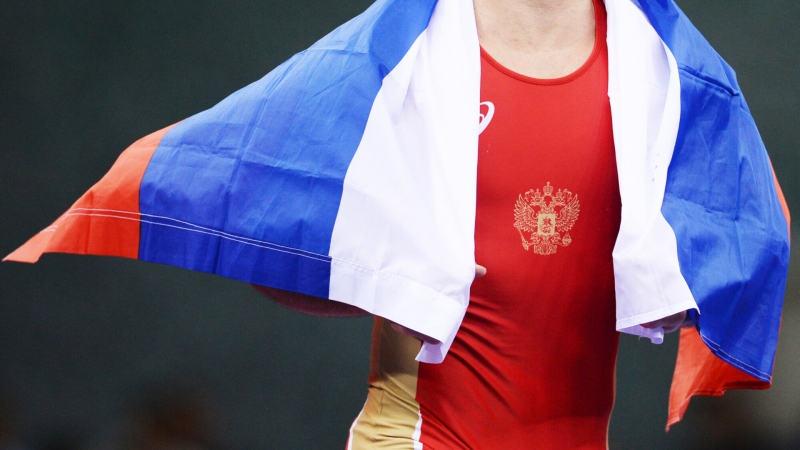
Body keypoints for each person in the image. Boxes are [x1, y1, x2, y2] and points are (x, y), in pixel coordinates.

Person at [6, 0, 789, 447]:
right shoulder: (400, 58)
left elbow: (748, 238)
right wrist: (348, 265)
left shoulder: (668, 78)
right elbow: (262, 204)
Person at [254, 0, 688, 447]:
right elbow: (260, 238)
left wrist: (688, 286)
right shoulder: (406, 52)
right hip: (421, 437)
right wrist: (388, 278)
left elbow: (727, 251)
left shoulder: (659, 64)